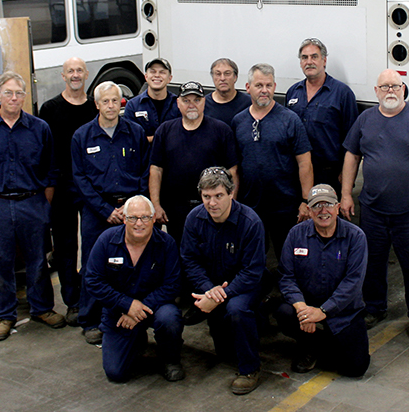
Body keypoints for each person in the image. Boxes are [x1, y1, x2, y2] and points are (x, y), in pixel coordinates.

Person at [340, 69, 409, 340]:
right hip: (373, 210)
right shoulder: (365, 119)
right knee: (372, 264)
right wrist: (345, 194)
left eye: (395, 86)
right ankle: (375, 307)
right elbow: (351, 155)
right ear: (376, 92)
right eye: (384, 86)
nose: (390, 91)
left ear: (404, 89)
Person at [0, 71, 66, 341]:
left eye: (19, 93)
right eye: (8, 93)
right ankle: (5, 315)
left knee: (37, 261)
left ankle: (42, 308)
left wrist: (42, 206)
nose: (13, 98)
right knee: (0, 263)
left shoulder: (39, 128)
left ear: (25, 97)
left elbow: (50, 171)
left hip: (32, 203)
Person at [72, 81, 150, 345]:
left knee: (133, 263)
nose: (110, 106)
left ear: (122, 103)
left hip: (132, 210)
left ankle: (128, 313)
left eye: (115, 101)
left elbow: (144, 171)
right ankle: (90, 320)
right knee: (93, 266)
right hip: (97, 211)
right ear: (96, 104)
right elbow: (80, 179)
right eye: (105, 101)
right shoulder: (81, 137)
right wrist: (106, 210)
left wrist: (131, 208)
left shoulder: (136, 133)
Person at [180, 167, 266, 395]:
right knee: (225, 352)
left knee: (237, 310)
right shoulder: (194, 219)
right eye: (206, 197)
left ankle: (250, 369)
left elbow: (252, 271)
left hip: (245, 286)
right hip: (211, 285)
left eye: (218, 196)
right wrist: (210, 290)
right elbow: (190, 260)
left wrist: (221, 296)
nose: (212, 203)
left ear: (231, 193)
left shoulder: (250, 222)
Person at [83, 195, 185, 383]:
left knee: (169, 318)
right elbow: (93, 280)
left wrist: (138, 309)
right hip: (118, 310)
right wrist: (126, 305)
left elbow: (173, 285)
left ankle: (171, 359)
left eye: (145, 217)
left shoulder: (166, 243)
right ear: (124, 219)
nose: (139, 223)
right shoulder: (106, 240)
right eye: (133, 218)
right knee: (116, 373)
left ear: (154, 219)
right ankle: (136, 338)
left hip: (156, 307)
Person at [277, 184, 370, 377]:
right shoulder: (296, 234)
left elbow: (352, 283)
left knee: (355, 368)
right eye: (317, 206)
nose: (323, 211)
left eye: (328, 204)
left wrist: (322, 312)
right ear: (309, 210)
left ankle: (324, 343)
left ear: (337, 207)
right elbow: (287, 277)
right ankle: (310, 345)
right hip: (306, 306)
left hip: (343, 310)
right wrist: (303, 310)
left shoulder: (355, 237)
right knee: (284, 312)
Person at [38, 57, 98, 325]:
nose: (75, 75)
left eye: (79, 71)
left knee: (91, 245)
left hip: (89, 186)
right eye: (70, 71)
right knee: (65, 247)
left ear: (86, 74)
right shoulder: (50, 109)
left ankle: (88, 299)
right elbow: (44, 152)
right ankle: (72, 300)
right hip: (61, 186)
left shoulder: (94, 108)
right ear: (63, 76)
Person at [233, 63, 313, 262]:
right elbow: (233, 167)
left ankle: (289, 292)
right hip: (250, 204)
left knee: (287, 257)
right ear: (248, 87)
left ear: (275, 87)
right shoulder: (238, 121)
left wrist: (305, 201)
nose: (264, 90)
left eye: (269, 85)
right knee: (252, 256)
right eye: (259, 85)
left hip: (284, 205)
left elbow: (305, 163)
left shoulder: (290, 120)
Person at [150, 81, 239, 245]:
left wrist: (230, 206)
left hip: (212, 208)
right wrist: (155, 204)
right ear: (178, 103)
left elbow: (232, 171)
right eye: (186, 100)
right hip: (175, 211)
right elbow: (156, 170)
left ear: (204, 102)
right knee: (180, 255)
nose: (192, 105)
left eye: (197, 100)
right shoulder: (164, 131)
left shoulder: (221, 130)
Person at [285, 39, 358, 190]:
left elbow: (352, 138)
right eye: (304, 57)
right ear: (300, 62)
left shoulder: (342, 93)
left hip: (329, 174)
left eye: (314, 56)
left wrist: (346, 173)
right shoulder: (293, 92)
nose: (309, 62)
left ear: (324, 61)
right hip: (297, 171)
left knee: (327, 214)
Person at [124, 58, 181, 141]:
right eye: (153, 71)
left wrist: (148, 139)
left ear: (170, 78)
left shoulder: (178, 104)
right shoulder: (133, 106)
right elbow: (130, 138)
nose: (157, 75)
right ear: (146, 76)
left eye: (162, 72)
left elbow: (182, 135)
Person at [204, 58, 252, 126]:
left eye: (227, 74)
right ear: (212, 77)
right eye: (218, 74)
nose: (222, 78)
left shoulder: (249, 103)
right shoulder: (204, 104)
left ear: (235, 77)